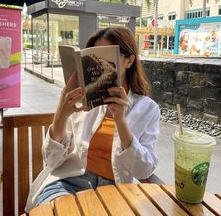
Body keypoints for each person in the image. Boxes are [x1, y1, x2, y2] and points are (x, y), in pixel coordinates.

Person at [25, 27, 160, 212]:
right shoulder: (80, 102)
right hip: (68, 182)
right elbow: (52, 160)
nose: (100, 64)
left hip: (114, 191)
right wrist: (61, 114)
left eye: (109, 55)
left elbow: (144, 171)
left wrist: (121, 121)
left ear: (129, 61)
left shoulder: (148, 109)